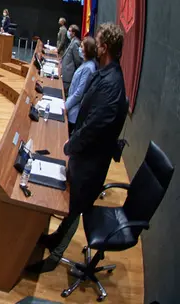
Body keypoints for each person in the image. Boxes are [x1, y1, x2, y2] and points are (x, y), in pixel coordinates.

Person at [30, 23, 128, 274]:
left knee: (75, 209)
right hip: (84, 157)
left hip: (91, 162)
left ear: (104, 47)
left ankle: (55, 259)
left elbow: (95, 125)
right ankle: (53, 239)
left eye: (98, 40)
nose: (94, 43)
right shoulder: (105, 72)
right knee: (70, 204)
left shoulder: (112, 83)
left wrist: (71, 144)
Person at [65, 37, 97, 135]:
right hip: (71, 107)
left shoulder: (89, 68)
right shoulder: (85, 63)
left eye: (81, 46)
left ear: (86, 49)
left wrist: (66, 106)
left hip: (74, 113)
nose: (79, 48)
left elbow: (79, 93)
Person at [61, 24, 83, 95]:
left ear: (73, 33)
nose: (68, 32)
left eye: (69, 31)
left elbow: (77, 60)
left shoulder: (76, 43)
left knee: (65, 94)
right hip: (65, 74)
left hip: (68, 76)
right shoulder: (72, 41)